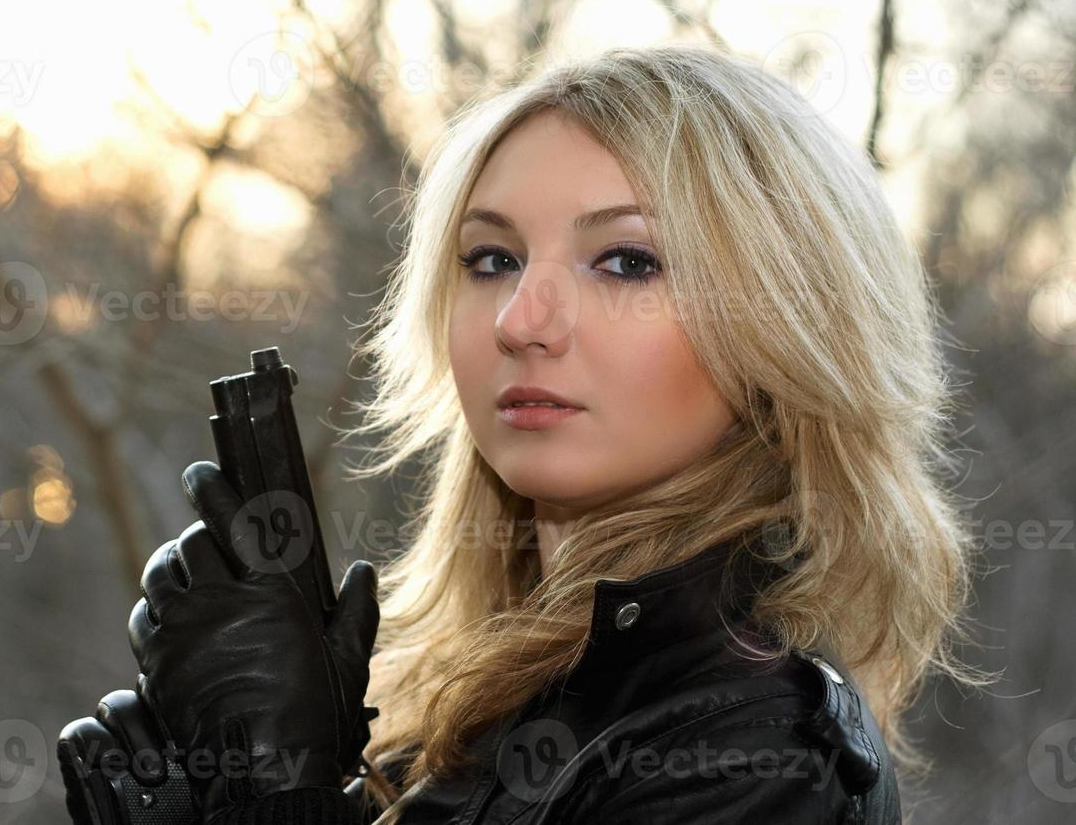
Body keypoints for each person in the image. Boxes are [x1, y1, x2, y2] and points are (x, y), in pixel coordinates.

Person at [101, 45, 988, 824]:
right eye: (493, 259)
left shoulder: (753, 757)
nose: (522, 319)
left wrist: (274, 797)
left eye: (627, 261)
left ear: (789, 324)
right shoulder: (477, 706)